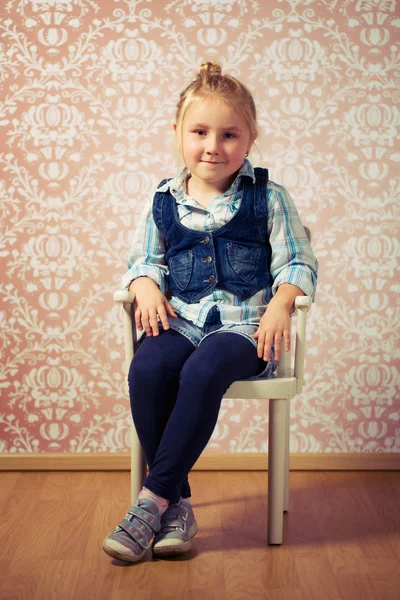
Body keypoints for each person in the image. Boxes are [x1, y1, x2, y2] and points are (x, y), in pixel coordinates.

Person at [103, 61, 319, 563]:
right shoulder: (163, 199)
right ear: (177, 132)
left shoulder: (270, 198)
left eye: (229, 134)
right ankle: (177, 507)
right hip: (179, 320)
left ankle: (152, 501)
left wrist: (281, 304)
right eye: (199, 132)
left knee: (203, 371)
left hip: (246, 330)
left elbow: (298, 261)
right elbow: (143, 260)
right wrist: (144, 285)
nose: (212, 146)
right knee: (148, 367)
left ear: (250, 139)